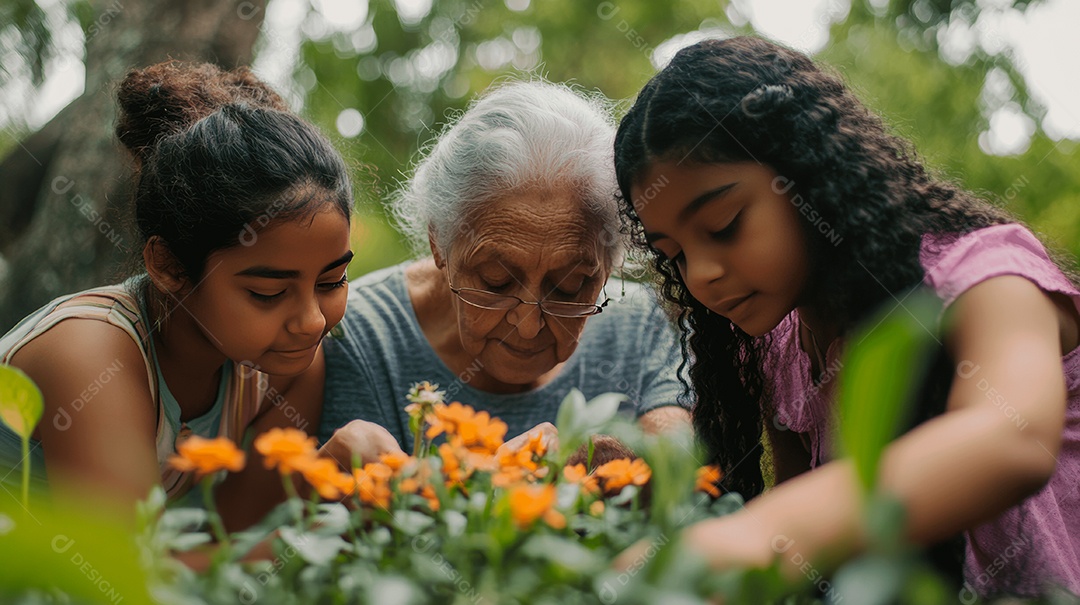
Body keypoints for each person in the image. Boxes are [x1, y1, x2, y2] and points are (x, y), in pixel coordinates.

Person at [613, 36, 1080, 597]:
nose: (701, 274)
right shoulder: (781, 352)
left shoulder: (984, 278)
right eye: (675, 254)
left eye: (723, 224)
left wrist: (767, 529)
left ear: (806, 174)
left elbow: (1013, 439)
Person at [0, 61, 355, 530]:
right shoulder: (88, 356)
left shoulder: (289, 366)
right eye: (268, 292)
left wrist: (334, 475)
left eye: (330, 283)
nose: (312, 321)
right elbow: (130, 582)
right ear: (168, 267)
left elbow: (230, 540)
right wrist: (333, 526)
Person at [317, 81, 690, 463]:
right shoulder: (355, 334)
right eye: (495, 281)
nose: (528, 326)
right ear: (439, 243)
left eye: (570, 288)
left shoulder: (639, 323)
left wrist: (618, 463)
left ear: (609, 265)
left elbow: (682, 462)